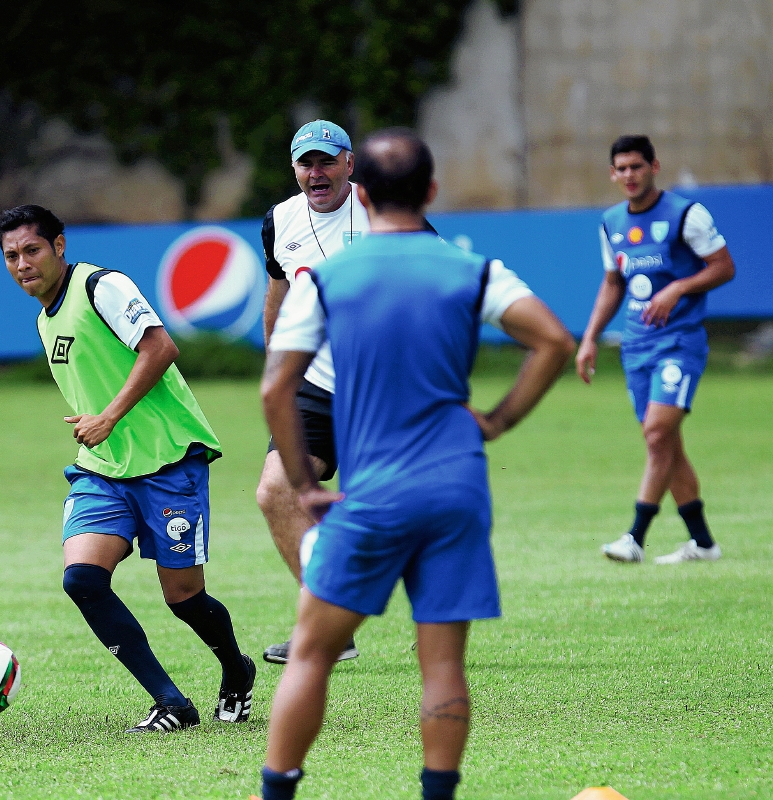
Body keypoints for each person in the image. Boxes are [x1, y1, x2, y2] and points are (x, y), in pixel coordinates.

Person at [256, 128, 573, 800]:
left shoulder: (330, 280)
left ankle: (277, 792)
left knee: (312, 652)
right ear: (430, 192)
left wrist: (308, 488)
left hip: (375, 492)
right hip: (457, 487)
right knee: (441, 666)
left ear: (360, 192)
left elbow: (274, 387)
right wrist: (496, 420)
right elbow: (552, 341)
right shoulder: (470, 268)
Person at [0, 204, 256, 732]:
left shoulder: (102, 287)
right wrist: (102, 434)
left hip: (168, 461)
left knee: (183, 597)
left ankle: (236, 668)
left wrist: (109, 417)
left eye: (32, 250)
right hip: (103, 468)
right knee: (83, 580)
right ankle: (172, 703)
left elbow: (161, 346)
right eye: (11, 256)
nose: (22, 263)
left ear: (59, 246)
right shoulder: (45, 319)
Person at [576, 135, 736, 564]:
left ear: (654, 167)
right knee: (666, 445)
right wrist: (590, 337)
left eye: (636, 166)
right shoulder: (611, 222)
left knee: (657, 433)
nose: (629, 175)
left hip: (679, 343)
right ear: (612, 173)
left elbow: (724, 267)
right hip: (637, 348)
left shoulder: (687, 214)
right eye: (621, 168)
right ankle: (703, 544)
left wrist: (679, 288)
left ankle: (634, 537)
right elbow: (613, 284)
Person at [256, 119, 366, 665]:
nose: (315, 173)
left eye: (326, 161)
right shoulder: (280, 220)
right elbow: (278, 291)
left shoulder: (382, 211)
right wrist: (278, 366)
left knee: (392, 509)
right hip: (314, 386)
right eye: (306, 162)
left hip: (380, 389)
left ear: (349, 162)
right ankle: (333, 624)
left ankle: (439, 611)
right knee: (276, 493)